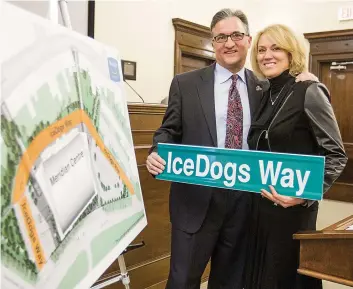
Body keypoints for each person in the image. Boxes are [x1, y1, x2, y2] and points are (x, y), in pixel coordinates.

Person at [146, 9, 317, 289]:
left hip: (246, 206)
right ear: (213, 43)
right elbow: (168, 130)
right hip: (196, 203)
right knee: (182, 281)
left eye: (236, 35)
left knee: (231, 282)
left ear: (248, 40)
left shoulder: (266, 87)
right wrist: (156, 150)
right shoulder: (185, 84)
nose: (229, 43)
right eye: (221, 37)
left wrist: (304, 78)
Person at [245, 24, 348, 289]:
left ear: (291, 53)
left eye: (276, 47)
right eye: (261, 50)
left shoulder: (309, 90)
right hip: (259, 208)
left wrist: (304, 194)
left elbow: (336, 154)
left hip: (293, 210)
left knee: (288, 278)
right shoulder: (264, 93)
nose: (267, 55)